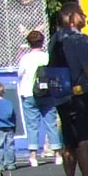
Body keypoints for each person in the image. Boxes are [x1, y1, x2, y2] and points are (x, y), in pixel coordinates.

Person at [47, 4, 88, 176]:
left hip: (61, 95)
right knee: (84, 140)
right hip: (82, 96)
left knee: (68, 141)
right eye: (81, 14)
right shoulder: (80, 40)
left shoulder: (55, 40)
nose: (85, 16)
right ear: (71, 17)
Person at [17, 29, 58, 165]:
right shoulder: (47, 56)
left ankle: (33, 156)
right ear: (43, 42)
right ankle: (57, 153)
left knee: (32, 125)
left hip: (28, 93)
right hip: (47, 93)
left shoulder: (25, 59)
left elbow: (20, 74)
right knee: (51, 123)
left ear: (29, 43)